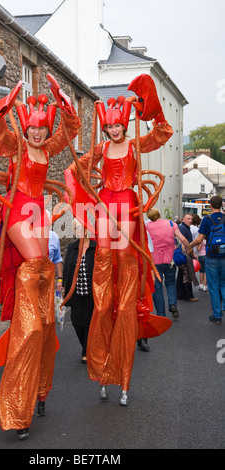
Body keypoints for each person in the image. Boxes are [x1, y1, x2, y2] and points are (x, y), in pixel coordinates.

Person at [65, 74, 173, 406]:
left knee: (125, 293)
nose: (113, 130)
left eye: (117, 126)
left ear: (124, 124)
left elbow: (164, 133)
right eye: (109, 126)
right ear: (105, 126)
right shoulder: (99, 149)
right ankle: (102, 366)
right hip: (105, 211)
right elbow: (73, 171)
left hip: (126, 208)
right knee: (103, 294)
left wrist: (152, 108)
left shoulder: (136, 142)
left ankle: (122, 372)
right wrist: (84, 206)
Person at [0, 76, 81, 440]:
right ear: (24, 127)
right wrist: (0, 112)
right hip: (18, 213)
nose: (38, 135)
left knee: (45, 309)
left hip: (39, 212)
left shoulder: (48, 149)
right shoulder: (17, 148)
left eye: (43, 130)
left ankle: (41, 389)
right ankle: (16, 408)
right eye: (32, 129)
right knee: (33, 302)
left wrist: (63, 101)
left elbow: (70, 132)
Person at [146, 208, 192, 320]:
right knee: (171, 283)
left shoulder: (146, 226)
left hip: (154, 261)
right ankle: (172, 304)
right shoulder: (171, 223)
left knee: (157, 287)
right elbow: (183, 239)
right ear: (159, 214)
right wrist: (190, 252)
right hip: (170, 260)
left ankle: (161, 314)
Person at [63, 219, 96, 363]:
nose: (79, 231)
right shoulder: (72, 247)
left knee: (89, 322)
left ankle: (86, 351)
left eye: (81, 227)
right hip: (75, 291)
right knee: (76, 321)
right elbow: (67, 268)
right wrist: (64, 285)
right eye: (76, 228)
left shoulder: (96, 247)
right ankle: (86, 346)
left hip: (92, 291)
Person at [190, 195, 225, 324]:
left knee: (214, 286)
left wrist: (189, 245)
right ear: (222, 204)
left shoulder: (207, 220)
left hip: (211, 256)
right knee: (224, 283)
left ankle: (217, 315)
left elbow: (199, 240)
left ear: (210, 205)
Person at [176, 213, 199, 302]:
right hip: (185, 254)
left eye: (191, 219)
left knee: (181, 274)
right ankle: (188, 296)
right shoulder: (182, 228)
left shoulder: (185, 228)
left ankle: (180, 294)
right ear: (183, 219)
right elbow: (185, 243)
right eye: (188, 219)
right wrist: (192, 253)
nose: (190, 220)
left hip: (184, 253)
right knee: (187, 274)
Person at [190, 214, 207, 291]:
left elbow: (199, 248)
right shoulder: (208, 239)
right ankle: (205, 286)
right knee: (206, 271)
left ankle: (200, 284)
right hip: (207, 255)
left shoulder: (201, 239)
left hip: (201, 255)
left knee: (201, 271)